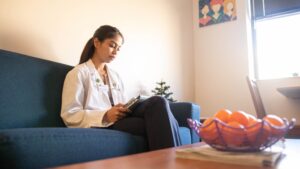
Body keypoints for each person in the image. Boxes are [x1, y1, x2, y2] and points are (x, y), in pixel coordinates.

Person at [60, 25, 182, 151]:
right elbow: (70, 115)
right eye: (112, 45)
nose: (115, 52)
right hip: (103, 124)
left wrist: (125, 107)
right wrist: (106, 115)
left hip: (121, 119)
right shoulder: (78, 73)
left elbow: (121, 103)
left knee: (159, 101)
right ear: (96, 42)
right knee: (157, 122)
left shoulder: (115, 76)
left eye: (118, 48)